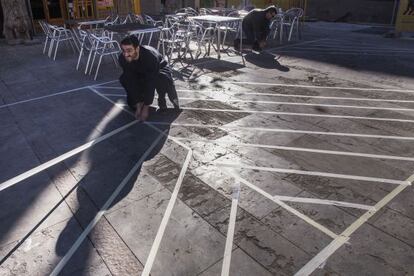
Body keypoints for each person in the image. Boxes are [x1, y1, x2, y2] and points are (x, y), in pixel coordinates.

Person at [119, 35, 179, 121]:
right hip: (140, 71)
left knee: (161, 79)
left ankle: (162, 102)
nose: (126, 54)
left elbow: (150, 83)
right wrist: (139, 105)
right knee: (124, 80)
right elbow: (130, 79)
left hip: (160, 68)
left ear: (137, 49)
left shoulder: (150, 58)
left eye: (129, 50)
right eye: (123, 50)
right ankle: (140, 101)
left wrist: (146, 107)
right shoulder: (122, 58)